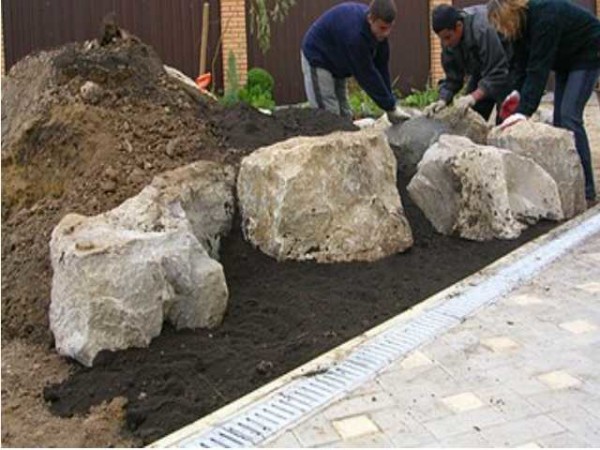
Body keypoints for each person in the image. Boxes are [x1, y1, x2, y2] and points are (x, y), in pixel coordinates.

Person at [487, 0, 600, 204]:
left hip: (588, 51)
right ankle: (571, 182)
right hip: (566, 59)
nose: (503, 31)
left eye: (503, 24)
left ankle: (587, 190)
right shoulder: (519, 29)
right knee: (560, 124)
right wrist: (515, 95)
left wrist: (524, 111)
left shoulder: (545, 16)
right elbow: (520, 67)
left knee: (569, 117)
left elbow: (538, 68)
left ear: (511, 13)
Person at [301, 0, 409, 124]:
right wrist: (389, 107)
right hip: (319, 57)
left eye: (390, 28)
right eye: (382, 28)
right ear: (370, 19)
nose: (386, 33)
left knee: (344, 114)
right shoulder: (355, 37)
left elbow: (382, 68)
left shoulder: (379, 34)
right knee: (328, 116)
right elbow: (367, 76)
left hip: (338, 59)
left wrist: (391, 104)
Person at [424, 4, 512, 122]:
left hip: (509, 67)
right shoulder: (449, 42)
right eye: (442, 39)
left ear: (459, 26)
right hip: (481, 71)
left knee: (505, 120)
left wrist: (473, 97)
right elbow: (453, 78)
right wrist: (442, 99)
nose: (445, 43)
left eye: (448, 37)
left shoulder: (482, 29)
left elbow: (498, 72)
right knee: (469, 116)